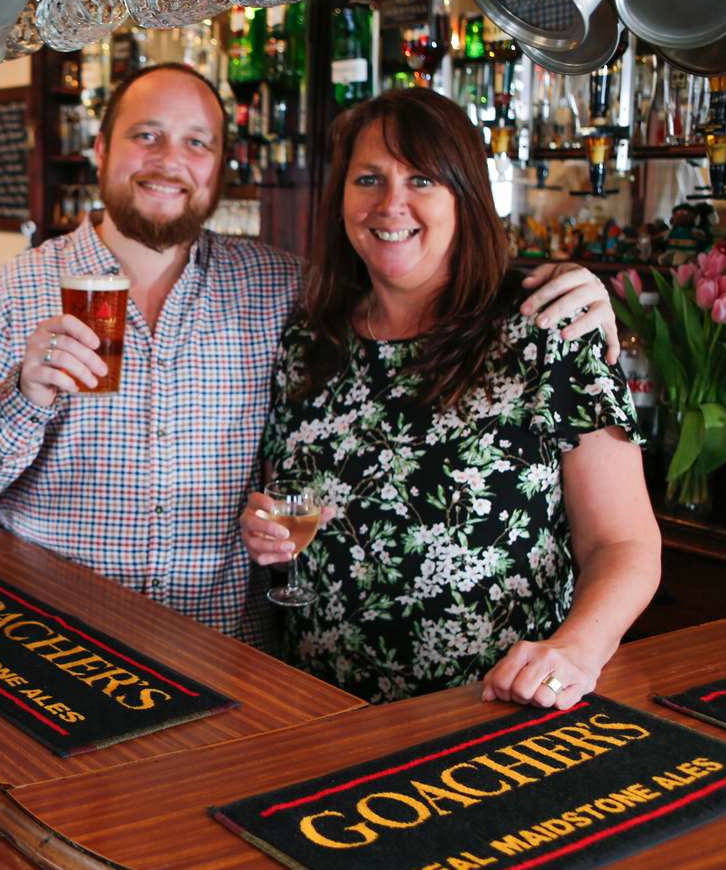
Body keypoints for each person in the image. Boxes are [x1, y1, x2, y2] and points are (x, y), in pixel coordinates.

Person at [0, 63, 620, 646]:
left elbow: (412, 267)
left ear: (220, 168)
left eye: (197, 143)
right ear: (101, 149)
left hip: (228, 663)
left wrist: (574, 280)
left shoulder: (277, 288)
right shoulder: (15, 293)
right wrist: (27, 393)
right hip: (61, 645)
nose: (171, 162)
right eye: (147, 137)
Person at [242, 88, 660, 706]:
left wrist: (577, 649)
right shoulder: (311, 340)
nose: (391, 204)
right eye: (368, 179)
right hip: (320, 711)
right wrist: (271, 539)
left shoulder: (547, 331)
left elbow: (623, 543)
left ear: (467, 198)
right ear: (340, 200)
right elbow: (296, 515)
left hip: (491, 715)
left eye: (423, 180)